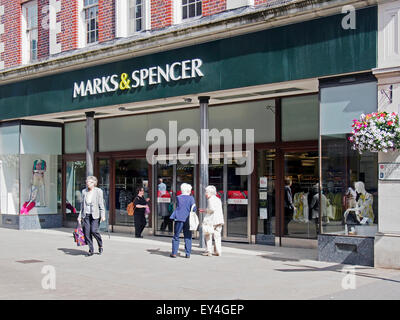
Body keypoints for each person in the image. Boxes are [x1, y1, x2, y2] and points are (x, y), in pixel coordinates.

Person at [77, 176, 106, 257]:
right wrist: (79, 216)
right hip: (86, 215)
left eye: (90, 182)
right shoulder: (84, 191)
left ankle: (100, 245)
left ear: (94, 183)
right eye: (87, 182)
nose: (88, 183)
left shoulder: (98, 191)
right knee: (87, 233)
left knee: (94, 231)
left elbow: (101, 204)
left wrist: (103, 215)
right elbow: (82, 206)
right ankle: (91, 249)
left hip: (95, 215)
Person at [169, 183, 196, 258]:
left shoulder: (178, 197)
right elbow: (194, 209)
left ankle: (174, 253)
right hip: (188, 219)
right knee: (188, 236)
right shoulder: (191, 198)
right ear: (188, 190)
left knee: (176, 236)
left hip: (179, 218)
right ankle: (188, 253)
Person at [199, 185, 224, 257]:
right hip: (219, 220)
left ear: (210, 193)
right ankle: (218, 251)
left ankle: (209, 251)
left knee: (208, 235)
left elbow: (211, 210)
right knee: (217, 236)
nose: (205, 194)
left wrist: (204, 210)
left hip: (212, 220)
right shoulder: (218, 199)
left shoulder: (210, 199)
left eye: (206, 192)